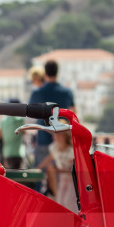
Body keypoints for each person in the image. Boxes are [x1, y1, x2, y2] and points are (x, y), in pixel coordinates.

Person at [28, 60, 74, 191]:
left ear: (45, 73)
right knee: (60, 181)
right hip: (62, 140)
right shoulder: (67, 92)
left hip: (43, 138)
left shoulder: (37, 93)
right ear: (57, 72)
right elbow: (73, 113)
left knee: (37, 176)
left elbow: (31, 114)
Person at [42, 128, 78, 212]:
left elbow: (73, 169)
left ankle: (74, 221)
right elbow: (49, 158)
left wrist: (58, 170)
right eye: (56, 135)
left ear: (65, 136)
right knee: (60, 201)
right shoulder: (55, 148)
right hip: (63, 179)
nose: (57, 137)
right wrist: (38, 168)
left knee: (68, 201)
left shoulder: (71, 151)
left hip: (72, 181)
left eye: (60, 135)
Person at [0, 98, 25, 170]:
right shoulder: (20, 120)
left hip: (7, 152)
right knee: (18, 176)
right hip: (18, 152)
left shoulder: (4, 120)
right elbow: (24, 132)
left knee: (9, 175)